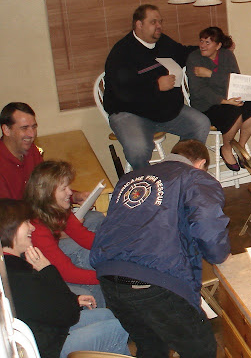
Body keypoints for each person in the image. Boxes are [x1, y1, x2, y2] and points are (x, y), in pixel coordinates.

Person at [90, 140, 230, 358]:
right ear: (201, 164)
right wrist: (220, 255)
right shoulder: (194, 177)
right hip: (155, 280)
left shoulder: (130, 179)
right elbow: (207, 223)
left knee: (151, 348)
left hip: (109, 278)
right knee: (200, 349)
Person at [0, 199, 129, 358]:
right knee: (115, 329)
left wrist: (74, 300)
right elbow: (68, 315)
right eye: (26, 222)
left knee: (105, 315)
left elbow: (48, 303)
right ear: (10, 228)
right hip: (48, 348)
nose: (32, 227)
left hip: (50, 331)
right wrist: (47, 269)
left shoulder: (12, 264)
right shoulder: (17, 276)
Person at [103, 4, 210, 170]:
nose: (159, 26)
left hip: (165, 110)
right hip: (130, 114)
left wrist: (211, 49)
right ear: (139, 24)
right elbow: (122, 92)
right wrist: (156, 86)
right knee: (138, 150)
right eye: (153, 22)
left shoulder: (163, 43)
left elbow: (184, 53)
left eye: (160, 21)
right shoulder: (122, 52)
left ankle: (177, 172)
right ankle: (148, 181)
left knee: (200, 124)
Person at [24, 161, 105, 307]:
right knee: (91, 286)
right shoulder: (37, 229)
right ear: (47, 193)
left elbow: (85, 238)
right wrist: (106, 276)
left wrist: (119, 247)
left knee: (95, 256)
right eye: (64, 188)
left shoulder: (58, 207)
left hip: (53, 263)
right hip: (38, 279)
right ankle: (101, 313)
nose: (70, 192)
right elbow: (66, 272)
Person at [186, 26, 251, 171]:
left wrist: (210, 74)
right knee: (234, 112)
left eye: (208, 42)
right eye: (201, 41)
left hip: (228, 99)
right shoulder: (194, 58)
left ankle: (241, 146)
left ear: (218, 45)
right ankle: (226, 148)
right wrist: (225, 101)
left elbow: (235, 80)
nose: (202, 45)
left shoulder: (227, 55)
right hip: (205, 105)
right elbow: (199, 91)